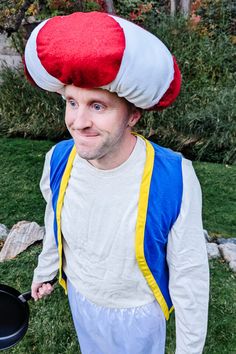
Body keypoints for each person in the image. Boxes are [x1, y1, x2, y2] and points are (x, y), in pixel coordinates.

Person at [24, 11, 209, 354]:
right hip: (80, 296)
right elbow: (55, 220)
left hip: (137, 311)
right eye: (72, 102)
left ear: (133, 115)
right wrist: (45, 270)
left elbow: (190, 276)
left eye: (97, 106)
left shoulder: (173, 176)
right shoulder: (59, 159)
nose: (78, 122)